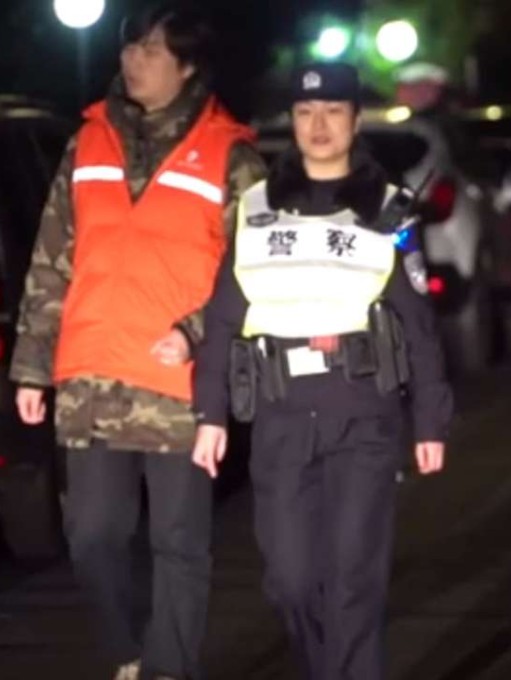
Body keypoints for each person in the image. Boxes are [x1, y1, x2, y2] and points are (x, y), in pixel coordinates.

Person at [8, 4, 266, 679]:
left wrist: (195, 333)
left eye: (152, 49)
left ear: (187, 65)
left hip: (180, 387)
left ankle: (168, 670)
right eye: (129, 47)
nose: (134, 60)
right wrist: (33, 365)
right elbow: (51, 258)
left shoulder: (234, 156)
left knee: (180, 543)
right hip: (93, 372)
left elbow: (255, 270)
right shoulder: (86, 142)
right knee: (91, 538)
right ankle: (127, 652)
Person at [190, 61, 453, 680]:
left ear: (355, 121)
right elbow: (223, 316)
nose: (318, 124)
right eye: (306, 112)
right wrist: (210, 413)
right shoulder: (256, 209)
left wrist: (431, 422)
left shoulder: (389, 212)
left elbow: (418, 323)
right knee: (288, 579)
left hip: (363, 409)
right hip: (282, 414)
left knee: (354, 577)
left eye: (333, 111)